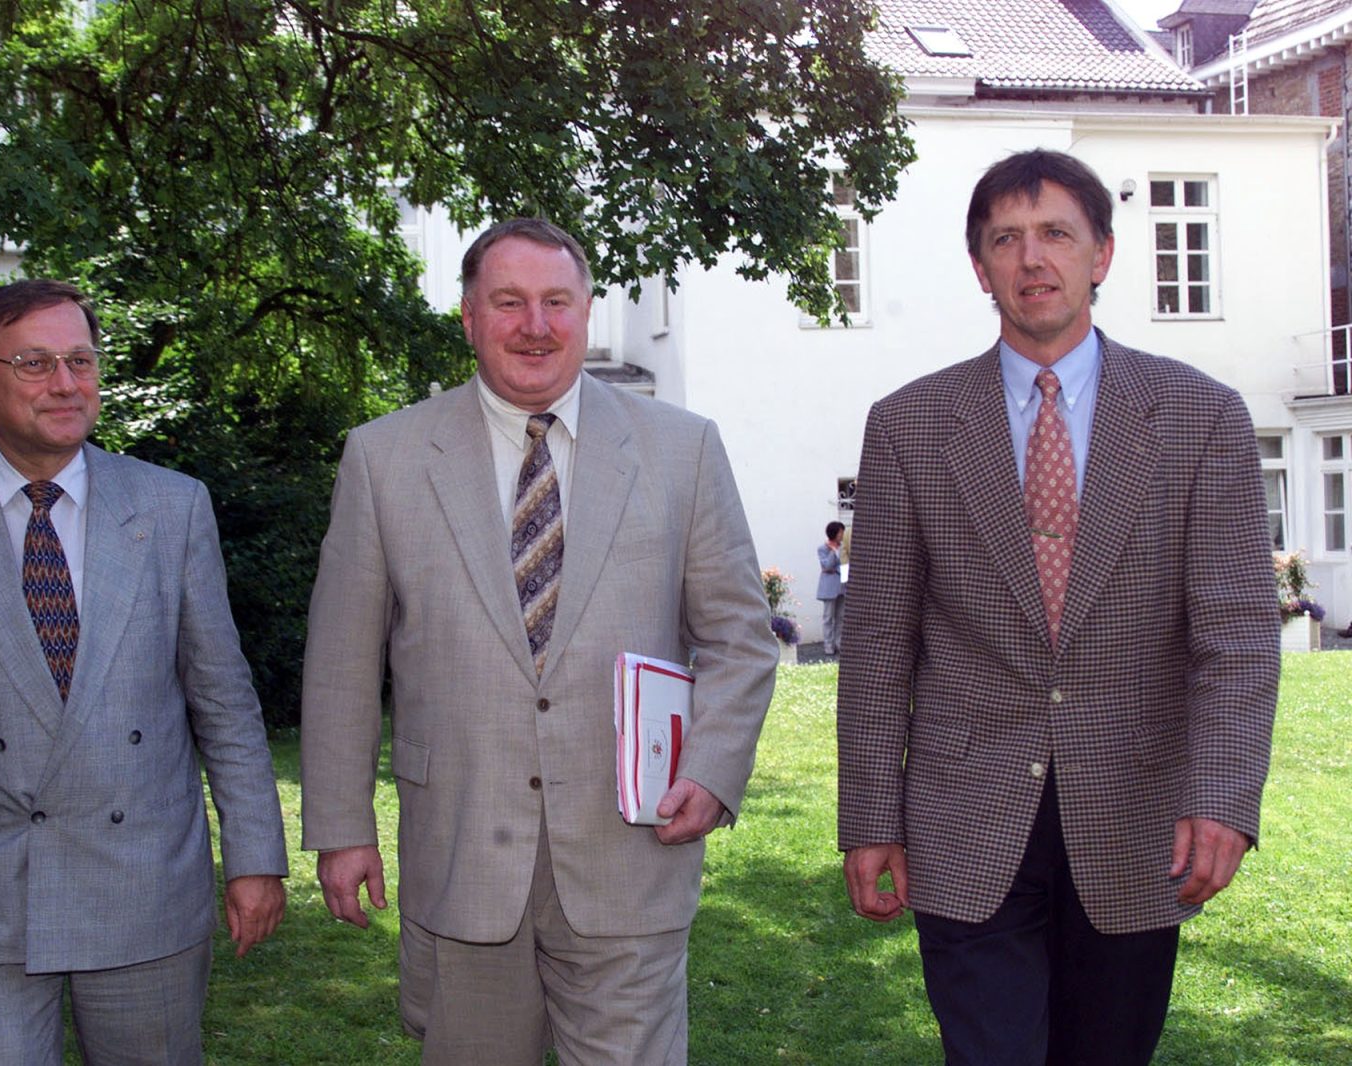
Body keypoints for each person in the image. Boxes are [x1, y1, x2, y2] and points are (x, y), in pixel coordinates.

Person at [299, 218, 778, 1065]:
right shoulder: (384, 459)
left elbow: (740, 637)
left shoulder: (681, 449)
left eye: (557, 301)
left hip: (633, 852)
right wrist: (340, 827)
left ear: (587, 313)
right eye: (509, 302)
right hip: (462, 857)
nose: (536, 324)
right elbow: (341, 666)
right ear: (469, 316)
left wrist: (712, 768)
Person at [836, 150, 1279, 1064]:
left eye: (1055, 236)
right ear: (980, 267)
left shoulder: (1202, 420)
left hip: (1137, 820)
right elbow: (879, 639)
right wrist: (872, 816)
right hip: (965, 820)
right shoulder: (909, 425)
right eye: (1006, 239)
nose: (1032, 259)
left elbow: (1235, 632)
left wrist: (1224, 799)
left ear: (1102, 256)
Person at [0, 280, 289, 1064]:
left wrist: (255, 856)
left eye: (80, 360)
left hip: (143, 884)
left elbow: (224, 702)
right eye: (36, 362)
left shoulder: (173, 508)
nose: (64, 383)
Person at [816, 520, 846, 656]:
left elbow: (845, 565)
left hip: (842, 585)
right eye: (840, 532)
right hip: (829, 587)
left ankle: (839, 643)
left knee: (840, 617)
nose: (842, 535)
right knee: (828, 617)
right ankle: (828, 645)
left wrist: (837, 568)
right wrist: (833, 552)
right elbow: (827, 566)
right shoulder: (823, 548)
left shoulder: (844, 547)